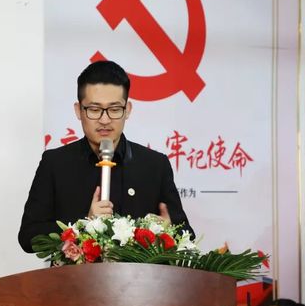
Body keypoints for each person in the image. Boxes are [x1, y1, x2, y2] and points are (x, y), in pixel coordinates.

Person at [18, 60, 194, 253]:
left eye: (114, 109)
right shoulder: (55, 163)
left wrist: (166, 232)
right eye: (94, 110)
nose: (104, 119)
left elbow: (187, 235)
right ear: (78, 110)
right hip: (75, 273)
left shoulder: (154, 165)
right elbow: (28, 237)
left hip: (138, 273)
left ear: (128, 110)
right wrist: (83, 225)